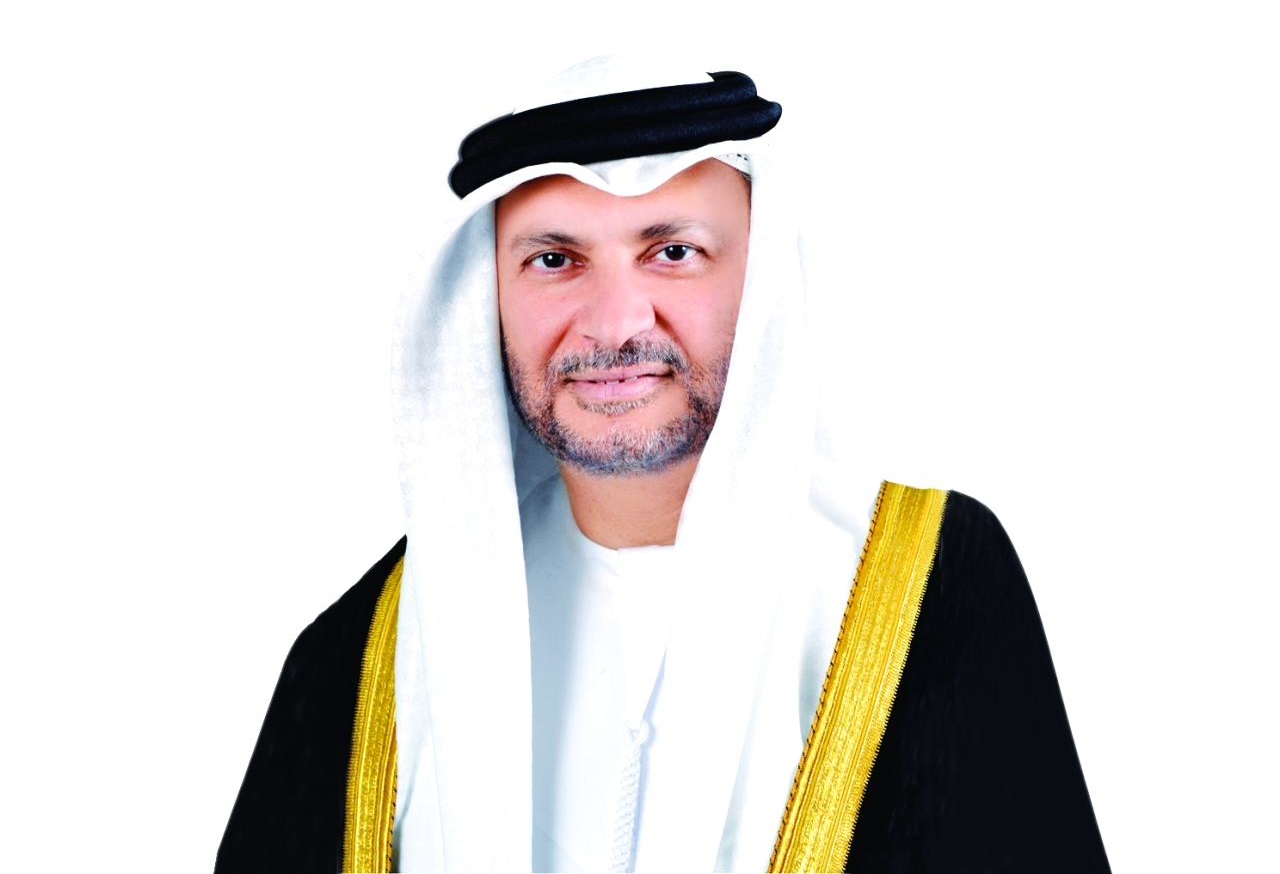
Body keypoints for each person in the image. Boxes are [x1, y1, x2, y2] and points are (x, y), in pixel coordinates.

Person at [216, 55, 1110, 873]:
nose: (614, 325)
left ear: (760, 282)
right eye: (554, 260)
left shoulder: (926, 581)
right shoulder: (366, 652)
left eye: (673, 252)